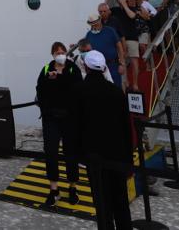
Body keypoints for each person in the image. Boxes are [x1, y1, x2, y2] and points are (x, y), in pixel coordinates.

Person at [75, 52, 133, 230]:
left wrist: (78, 155)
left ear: (85, 67)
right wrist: (129, 160)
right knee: (121, 203)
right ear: (104, 68)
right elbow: (126, 128)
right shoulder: (117, 92)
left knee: (103, 205)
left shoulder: (80, 92)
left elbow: (77, 127)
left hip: (95, 157)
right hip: (118, 157)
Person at [36, 41, 82, 208]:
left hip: (69, 118)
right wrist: (49, 81)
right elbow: (39, 89)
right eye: (57, 52)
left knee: (71, 152)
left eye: (62, 51)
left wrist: (60, 78)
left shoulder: (72, 69)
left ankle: (72, 187)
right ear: (52, 54)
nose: (60, 54)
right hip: (51, 118)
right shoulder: (47, 69)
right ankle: (54, 189)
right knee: (51, 152)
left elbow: (77, 89)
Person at [86, 14, 126, 90]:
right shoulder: (89, 35)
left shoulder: (110, 30)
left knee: (116, 89)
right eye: (92, 24)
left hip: (113, 65)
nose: (94, 26)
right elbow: (86, 50)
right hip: (98, 69)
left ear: (100, 20)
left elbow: (120, 48)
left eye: (95, 23)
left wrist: (122, 64)